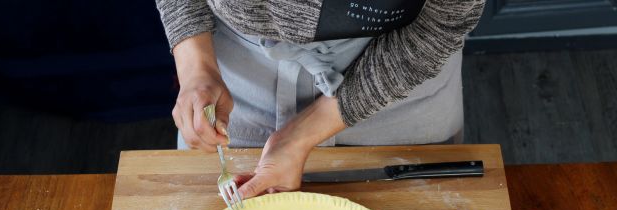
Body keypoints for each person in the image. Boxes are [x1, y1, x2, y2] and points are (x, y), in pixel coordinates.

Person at [155, 0, 485, 199]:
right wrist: (197, 69)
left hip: (398, 80)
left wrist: (302, 134)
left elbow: (440, 22)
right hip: (237, 76)